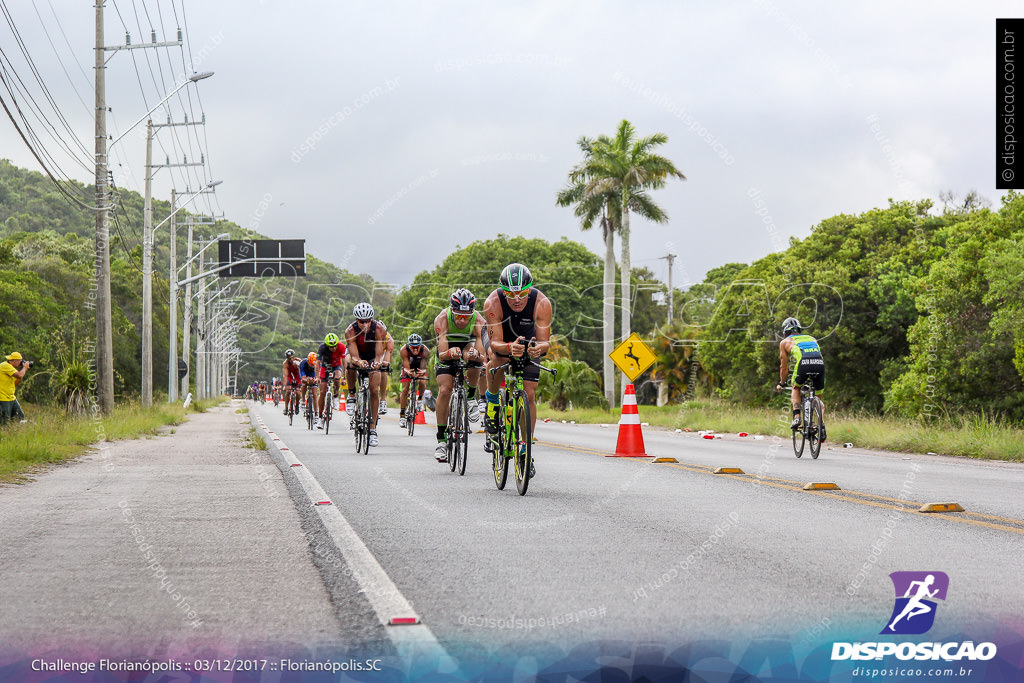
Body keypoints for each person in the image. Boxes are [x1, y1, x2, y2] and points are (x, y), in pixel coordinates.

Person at [483, 263, 552, 475]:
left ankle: (525, 449)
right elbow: (495, 344)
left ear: (529, 289)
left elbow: (545, 343)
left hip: (528, 339)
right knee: (496, 361)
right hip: (501, 340)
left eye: (522, 293)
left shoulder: (542, 303)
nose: (517, 299)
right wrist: (508, 348)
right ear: (503, 292)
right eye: (510, 294)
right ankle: (493, 405)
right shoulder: (492, 303)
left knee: (529, 394)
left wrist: (537, 349)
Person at [432, 288, 487, 462]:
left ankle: (471, 397)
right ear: (452, 311)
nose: (462, 320)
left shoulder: (479, 321)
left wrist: (476, 356)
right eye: (458, 316)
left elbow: (482, 355)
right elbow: (442, 355)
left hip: (466, 345)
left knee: (474, 358)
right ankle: (441, 440)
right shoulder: (441, 319)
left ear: (472, 313)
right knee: (445, 390)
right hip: (447, 349)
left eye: (466, 316)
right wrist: (449, 353)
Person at [776, 317, 826, 441]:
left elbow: (784, 367)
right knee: (818, 400)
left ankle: (797, 416)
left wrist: (782, 383)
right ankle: (821, 425)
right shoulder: (812, 338)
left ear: (785, 331)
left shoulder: (785, 342)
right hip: (820, 364)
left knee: (796, 388)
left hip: (804, 364)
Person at [344, 302, 386, 447]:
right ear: (356, 320)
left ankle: (373, 430)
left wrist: (377, 363)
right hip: (358, 355)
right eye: (362, 322)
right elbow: (354, 354)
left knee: (374, 390)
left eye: (368, 321)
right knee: (349, 362)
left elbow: (380, 353)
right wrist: (359, 362)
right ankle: (351, 395)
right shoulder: (350, 331)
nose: (365, 325)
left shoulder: (379, 329)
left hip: (372, 355)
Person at [315, 333, 347, 429]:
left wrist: (344, 378)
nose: (334, 348)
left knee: (337, 377)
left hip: (337, 365)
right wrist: (317, 377)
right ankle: (320, 418)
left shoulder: (341, 346)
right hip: (325, 367)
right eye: (331, 347)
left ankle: (336, 396)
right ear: (327, 345)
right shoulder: (322, 348)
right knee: (322, 392)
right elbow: (317, 363)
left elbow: (345, 363)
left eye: (335, 346)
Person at [398, 333, 430, 429]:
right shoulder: (404, 350)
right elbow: (406, 366)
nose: (415, 349)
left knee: (422, 382)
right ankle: (402, 415)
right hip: (408, 367)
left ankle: (420, 400)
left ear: (420, 345)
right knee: (405, 389)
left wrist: (421, 372)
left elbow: (423, 367)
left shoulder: (425, 350)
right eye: (413, 347)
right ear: (409, 346)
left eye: (417, 347)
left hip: (419, 366)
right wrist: (408, 372)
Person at [0, 351, 30, 425]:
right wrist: (24, 368)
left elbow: (16, 382)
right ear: (15, 360)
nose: (21, 363)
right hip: (3, 397)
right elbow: (20, 375)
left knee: (20, 417)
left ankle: (16, 432)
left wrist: (23, 370)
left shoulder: (12, 369)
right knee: (5, 422)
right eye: (20, 361)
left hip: (11, 397)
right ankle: (5, 435)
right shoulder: (5, 366)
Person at [378, 329, 395, 416]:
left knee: (383, 371)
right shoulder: (370, 336)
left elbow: (387, 358)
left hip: (382, 353)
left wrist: (384, 364)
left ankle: (383, 400)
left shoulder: (389, 340)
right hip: (371, 352)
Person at [281, 349, 301, 415]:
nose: (291, 359)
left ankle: (297, 405)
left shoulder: (298, 361)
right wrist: (285, 385)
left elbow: (301, 371)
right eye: (289, 358)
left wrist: (298, 366)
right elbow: (285, 375)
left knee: (298, 392)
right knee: (288, 391)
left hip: (297, 374)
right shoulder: (285, 363)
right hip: (289, 375)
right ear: (287, 358)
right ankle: (286, 408)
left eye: (292, 357)